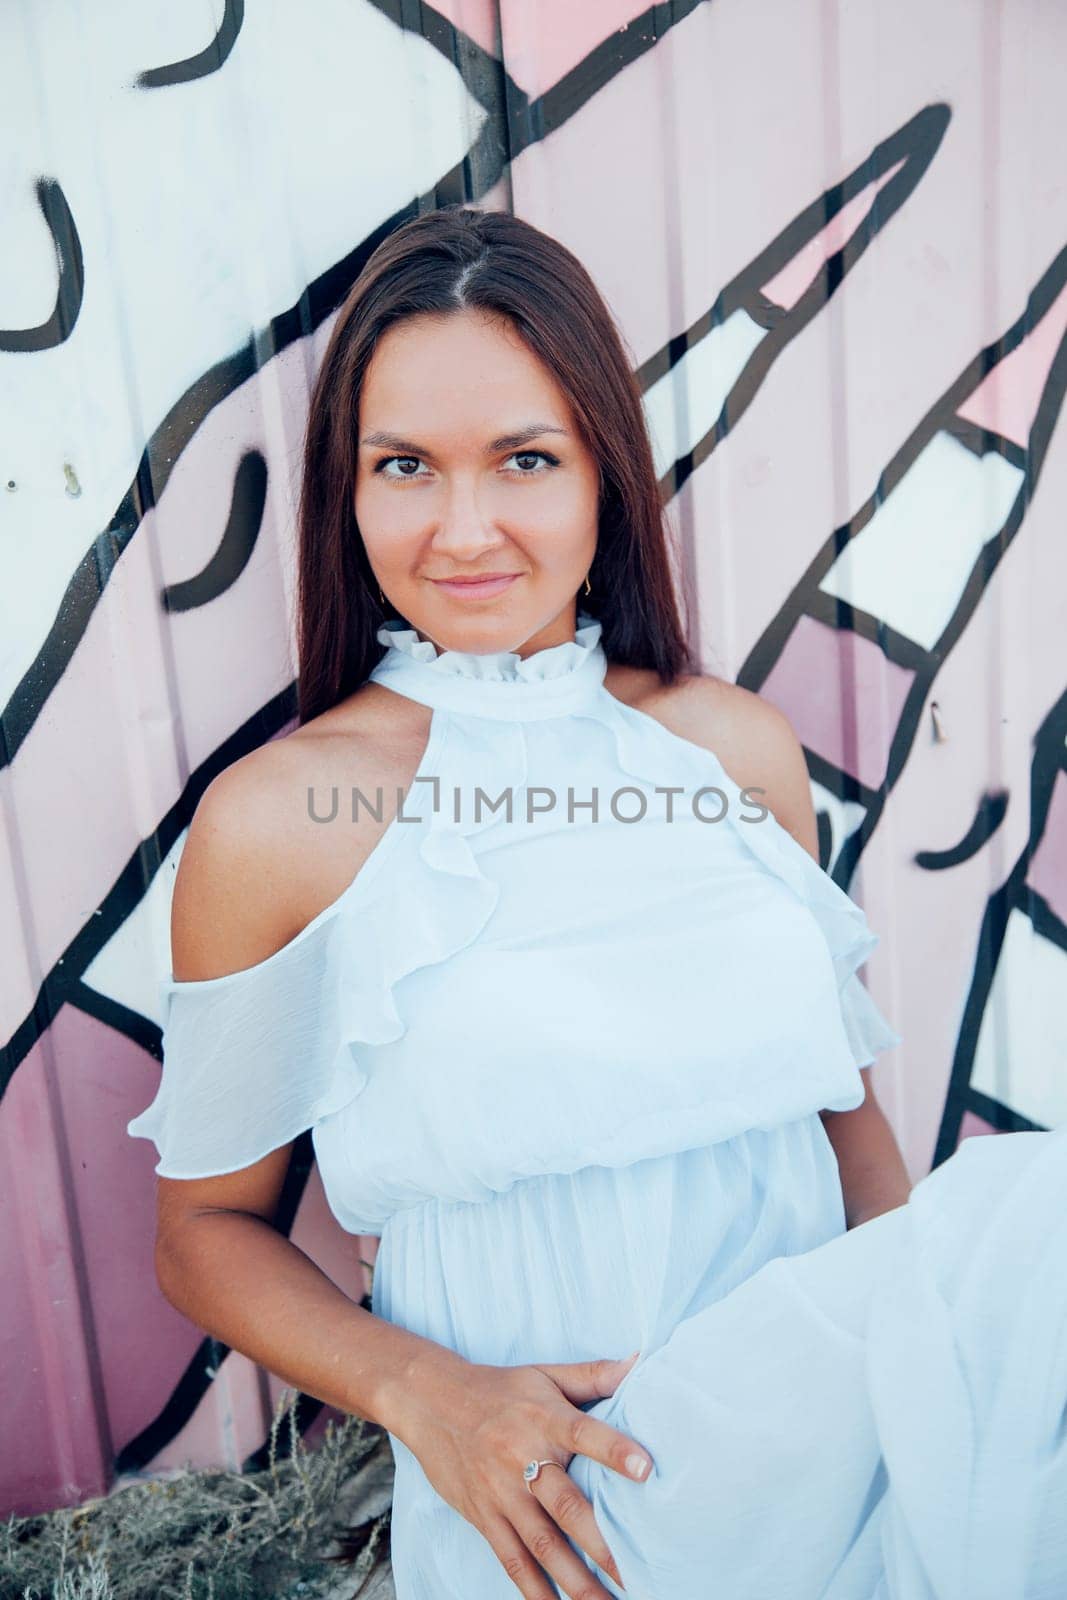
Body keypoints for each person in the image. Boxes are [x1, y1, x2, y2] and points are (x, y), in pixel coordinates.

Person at [127, 207, 1067, 1600]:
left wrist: (934, 1425)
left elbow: (851, 1134)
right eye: (405, 467)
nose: (464, 528)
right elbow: (206, 1234)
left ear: (602, 477)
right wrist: (428, 1398)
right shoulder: (279, 822)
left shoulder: (730, 748)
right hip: (569, 1502)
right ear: (351, 490)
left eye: (524, 459)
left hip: (844, 1439)